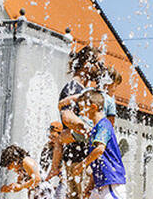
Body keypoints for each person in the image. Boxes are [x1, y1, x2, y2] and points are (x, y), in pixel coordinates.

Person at [59, 46, 102, 199]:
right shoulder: (72, 88)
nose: (100, 68)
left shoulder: (84, 90)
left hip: (85, 159)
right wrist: (88, 129)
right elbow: (67, 116)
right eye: (98, 64)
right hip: (76, 160)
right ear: (87, 64)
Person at [69, 90, 126, 199]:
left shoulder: (104, 125)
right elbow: (98, 160)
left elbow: (100, 150)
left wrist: (81, 165)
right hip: (101, 184)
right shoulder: (96, 129)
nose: (81, 113)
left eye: (82, 108)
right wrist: (91, 184)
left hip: (111, 182)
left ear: (94, 107)